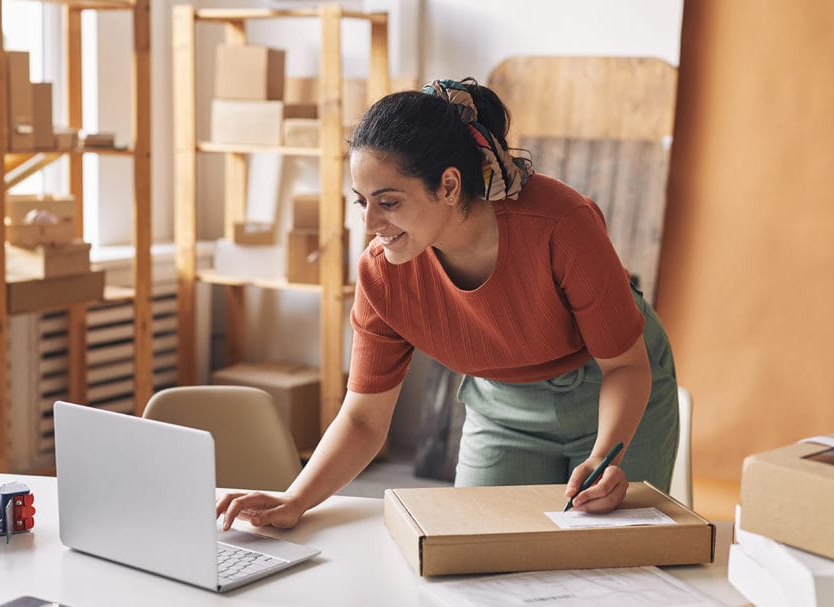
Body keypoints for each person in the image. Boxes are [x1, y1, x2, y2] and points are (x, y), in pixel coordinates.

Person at [216, 77, 678, 530]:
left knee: (613, 562)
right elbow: (362, 419)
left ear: (450, 185)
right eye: (361, 202)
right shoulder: (383, 273)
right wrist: (296, 499)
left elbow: (624, 366)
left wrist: (604, 456)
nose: (370, 222)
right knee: (480, 554)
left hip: (612, 383)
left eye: (389, 202)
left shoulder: (559, 223)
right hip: (502, 405)